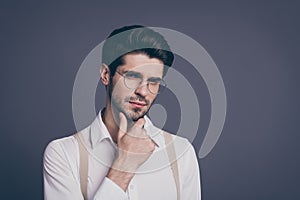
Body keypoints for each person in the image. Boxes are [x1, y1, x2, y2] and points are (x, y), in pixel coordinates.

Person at [43, 25, 201, 200]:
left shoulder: (181, 152)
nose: (143, 91)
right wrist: (123, 167)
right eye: (132, 77)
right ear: (105, 74)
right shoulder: (64, 154)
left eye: (154, 81)